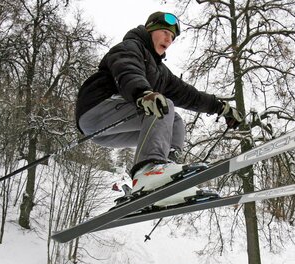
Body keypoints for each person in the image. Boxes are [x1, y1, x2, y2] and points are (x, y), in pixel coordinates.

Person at [75, 11, 243, 206]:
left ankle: (168, 174)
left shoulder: (161, 73)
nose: (168, 39)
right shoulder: (130, 47)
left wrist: (221, 108)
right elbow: (127, 70)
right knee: (163, 106)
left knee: (175, 121)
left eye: (172, 37)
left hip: (104, 134)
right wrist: (143, 93)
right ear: (149, 30)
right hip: (97, 109)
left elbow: (190, 95)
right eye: (164, 32)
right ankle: (149, 170)